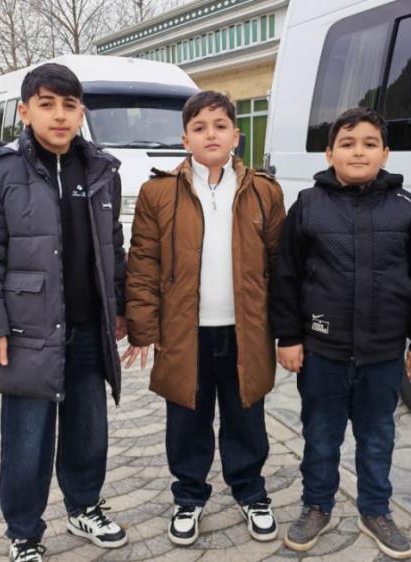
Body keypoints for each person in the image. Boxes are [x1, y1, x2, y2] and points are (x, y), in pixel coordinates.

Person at [0, 63, 128, 562]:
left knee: (88, 430)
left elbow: (113, 247)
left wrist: (120, 309)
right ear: (24, 111)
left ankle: (84, 507)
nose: (59, 115)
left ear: (81, 113)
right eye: (47, 104)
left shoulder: (101, 169)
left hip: (88, 327)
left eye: (69, 105)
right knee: (27, 438)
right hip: (25, 330)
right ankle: (24, 532)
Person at [269, 107, 411, 559]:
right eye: (347, 144)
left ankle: (375, 510)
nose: (358, 152)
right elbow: (286, 276)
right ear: (329, 154)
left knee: (377, 437)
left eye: (369, 143)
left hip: (382, 354)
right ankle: (316, 506)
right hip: (322, 352)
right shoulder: (308, 206)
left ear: (385, 153)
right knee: (320, 437)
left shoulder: (406, 208)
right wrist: (288, 337)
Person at [122, 90, 286, 546]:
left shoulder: (264, 191)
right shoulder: (158, 193)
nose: (210, 134)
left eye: (219, 125)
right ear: (185, 139)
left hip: (245, 333)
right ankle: (189, 497)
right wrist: (144, 329)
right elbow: (143, 264)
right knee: (187, 422)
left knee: (246, 419)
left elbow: (281, 266)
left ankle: (251, 493)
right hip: (184, 335)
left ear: (236, 135)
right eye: (199, 127)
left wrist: (286, 331)